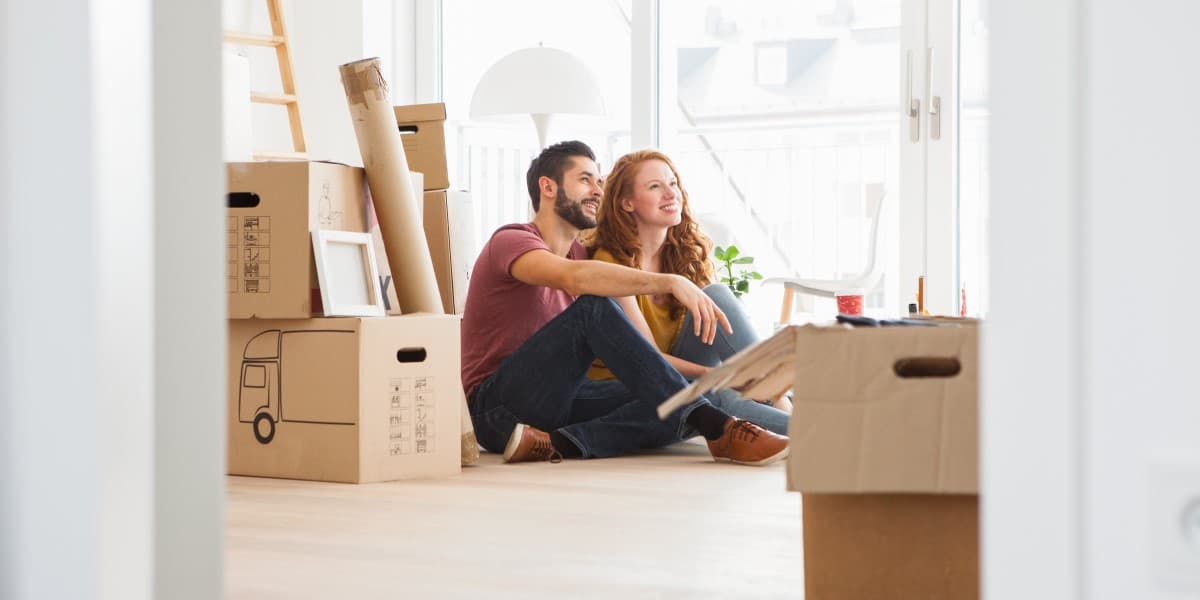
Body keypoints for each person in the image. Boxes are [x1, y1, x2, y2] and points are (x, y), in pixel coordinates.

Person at [460, 140, 788, 466]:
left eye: (600, 182)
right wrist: (671, 281)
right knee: (594, 307)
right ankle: (718, 429)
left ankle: (559, 443)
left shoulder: (580, 252)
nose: (597, 191)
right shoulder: (512, 240)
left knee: (692, 393)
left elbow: (596, 264)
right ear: (547, 186)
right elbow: (571, 277)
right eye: (585, 179)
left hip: (560, 403)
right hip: (497, 410)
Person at [585, 149, 792, 435]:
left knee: (716, 294)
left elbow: (719, 331)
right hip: (630, 381)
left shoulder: (684, 254)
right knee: (720, 396)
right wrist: (718, 376)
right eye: (655, 186)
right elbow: (648, 359)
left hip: (682, 371)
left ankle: (789, 407)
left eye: (673, 183)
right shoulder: (612, 262)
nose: (671, 194)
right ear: (627, 203)